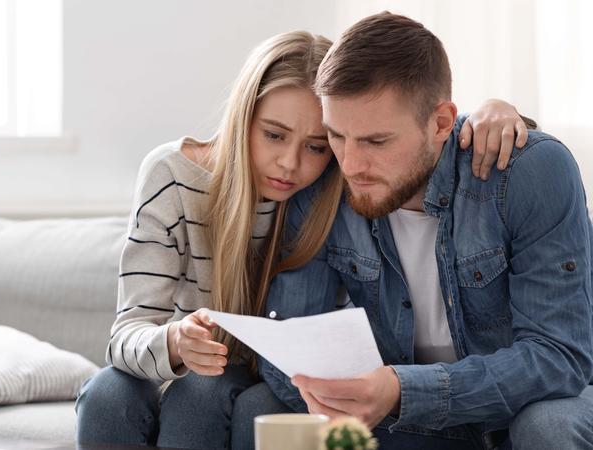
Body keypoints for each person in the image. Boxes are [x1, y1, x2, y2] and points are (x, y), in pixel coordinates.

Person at [76, 29, 531, 450]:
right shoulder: (172, 175)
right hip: (181, 361)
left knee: (205, 394)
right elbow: (126, 335)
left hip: (270, 376)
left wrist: (498, 110)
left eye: (317, 145)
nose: (290, 164)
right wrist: (175, 342)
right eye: (273, 135)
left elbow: (417, 134)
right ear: (242, 115)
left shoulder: (340, 181)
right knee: (106, 395)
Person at [259, 12, 593, 450]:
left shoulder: (528, 172)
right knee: (258, 408)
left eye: (376, 142)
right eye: (337, 136)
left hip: (523, 405)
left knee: (546, 425)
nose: (351, 165)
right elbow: (290, 345)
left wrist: (402, 390)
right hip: (409, 417)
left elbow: (559, 358)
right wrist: (350, 393)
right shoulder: (324, 182)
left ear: (440, 124)